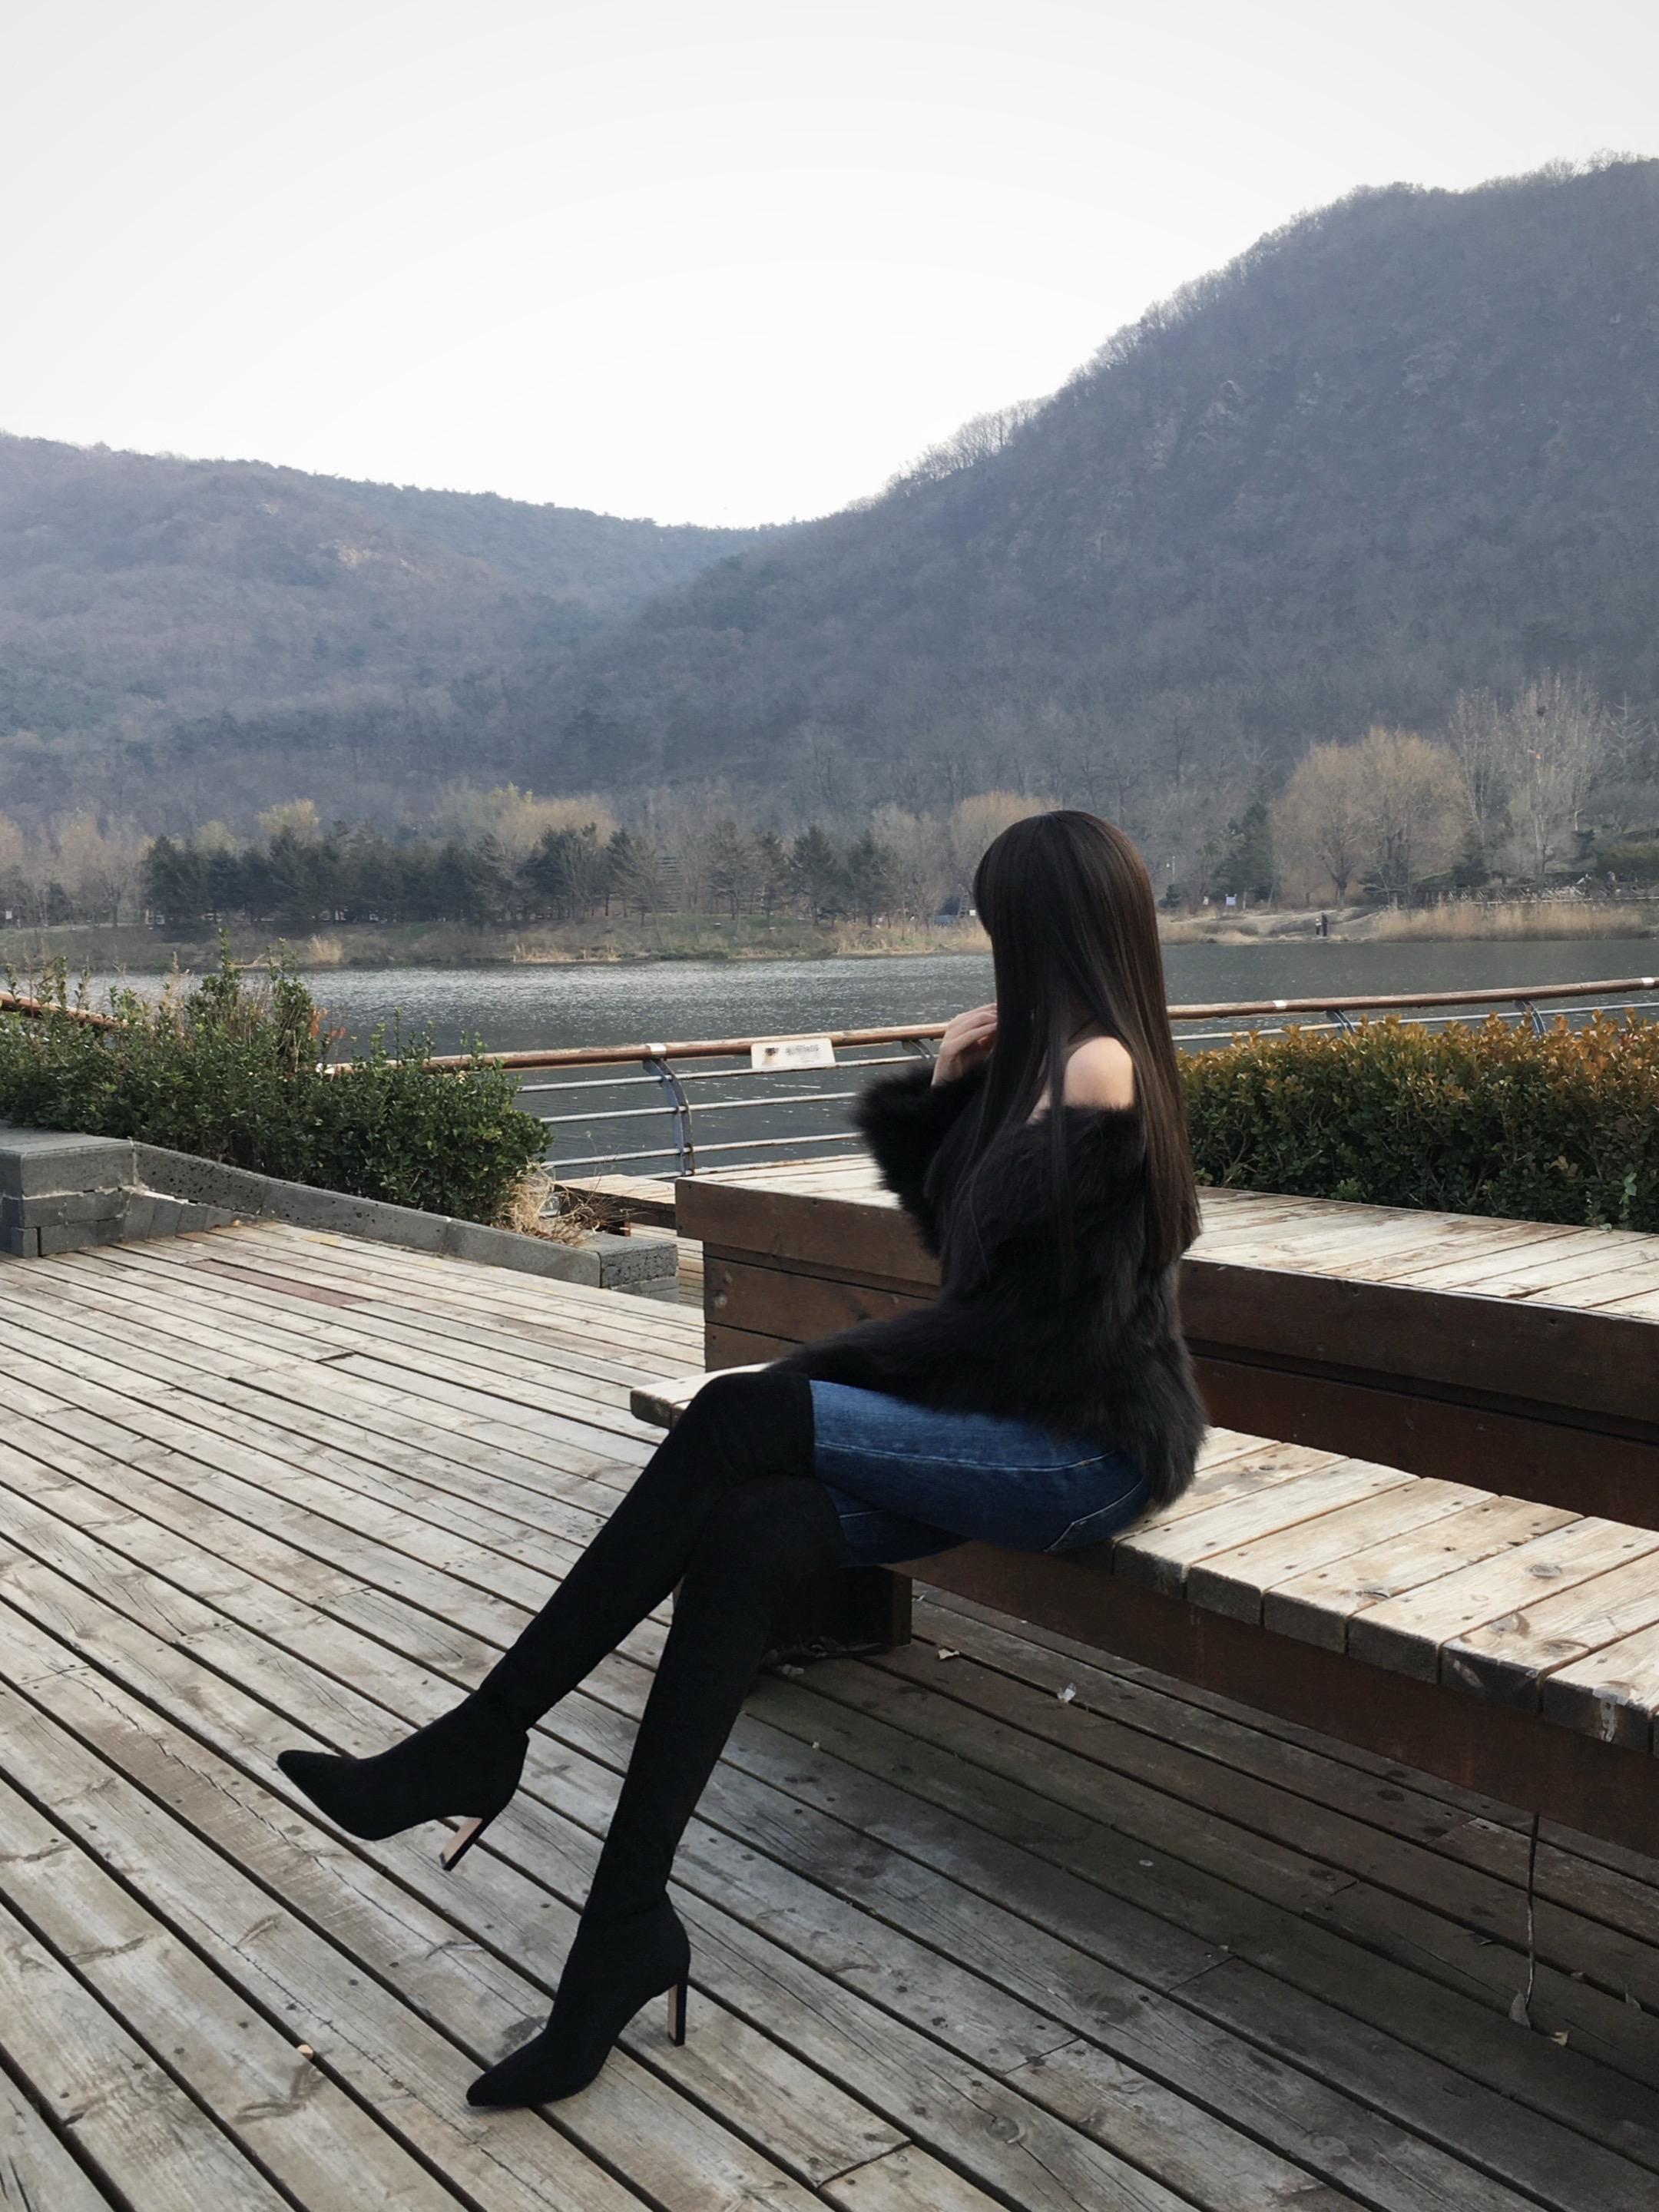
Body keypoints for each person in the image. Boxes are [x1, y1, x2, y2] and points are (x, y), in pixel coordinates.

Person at [275, 809, 1207, 2109]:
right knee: (747, 1530)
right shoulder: (1049, 1064)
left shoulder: (1101, 1069)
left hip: (1077, 1450)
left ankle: (480, 1739)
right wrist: (948, 1089)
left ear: (1047, 929)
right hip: (1001, 1420)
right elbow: (979, 1265)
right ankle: (622, 1936)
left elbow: (1031, 1332)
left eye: (1000, 920)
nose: (988, 941)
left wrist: (822, 1372)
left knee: (738, 1417)